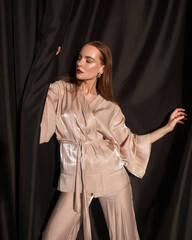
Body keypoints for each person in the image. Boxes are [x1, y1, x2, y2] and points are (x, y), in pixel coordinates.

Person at [40, 41, 187, 240]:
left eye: (89, 60)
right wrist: (46, 59)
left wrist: (167, 128)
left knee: (124, 236)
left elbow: (131, 143)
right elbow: (41, 126)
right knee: (52, 236)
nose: (80, 63)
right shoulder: (60, 91)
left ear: (101, 69)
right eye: (79, 58)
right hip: (77, 180)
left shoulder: (110, 108)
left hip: (112, 176)